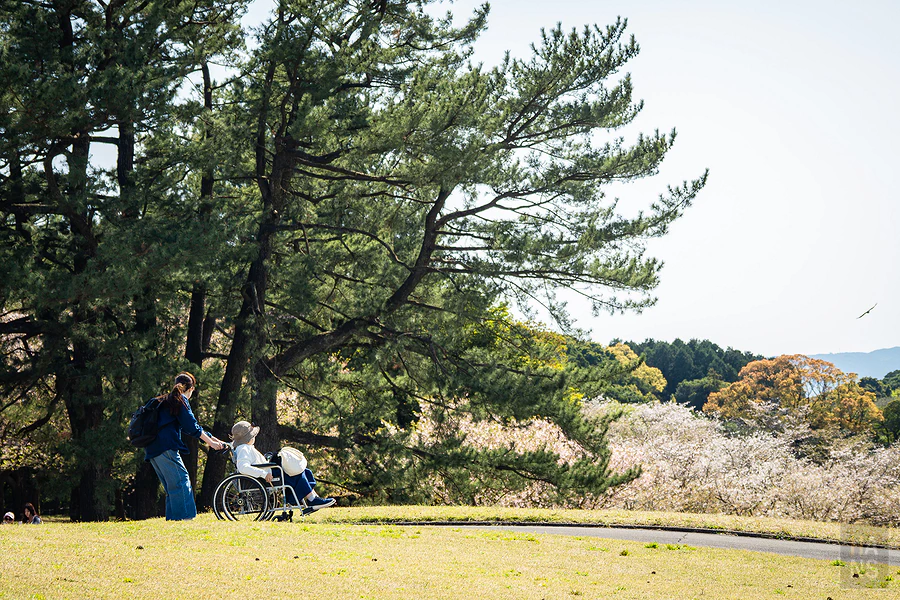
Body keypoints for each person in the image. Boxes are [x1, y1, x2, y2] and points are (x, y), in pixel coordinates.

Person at [145, 372, 226, 520]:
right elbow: (191, 426)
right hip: (165, 447)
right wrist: (212, 444)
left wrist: (213, 439)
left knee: (172, 486)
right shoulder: (180, 399)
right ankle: (186, 518)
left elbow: (191, 427)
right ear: (191, 389)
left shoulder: (167, 401)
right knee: (181, 481)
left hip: (152, 448)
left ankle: (174, 520)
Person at [230, 421, 335, 511]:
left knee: (303, 471)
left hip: (269, 472)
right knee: (295, 472)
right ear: (248, 438)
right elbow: (243, 467)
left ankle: (313, 498)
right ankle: (312, 499)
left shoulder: (246, 448)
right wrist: (263, 474)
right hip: (267, 476)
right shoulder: (244, 449)